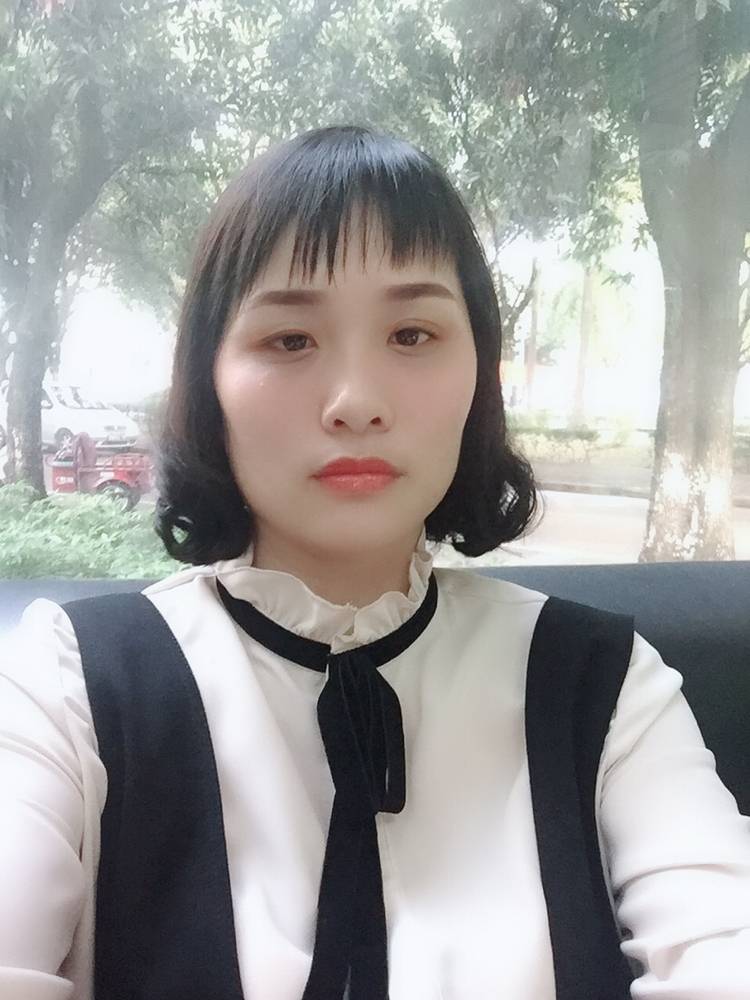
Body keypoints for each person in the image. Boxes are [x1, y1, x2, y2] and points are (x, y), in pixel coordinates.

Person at [1, 124, 749, 1000]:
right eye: (290, 340)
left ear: (480, 377)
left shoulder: (605, 683)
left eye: (412, 334)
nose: (356, 402)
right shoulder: (68, 685)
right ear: (209, 381)